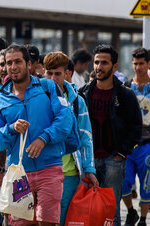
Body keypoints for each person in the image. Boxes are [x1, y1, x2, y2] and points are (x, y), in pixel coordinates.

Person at [0, 44, 73, 226]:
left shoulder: (48, 87)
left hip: (49, 169)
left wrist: (44, 138)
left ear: (28, 64)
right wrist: (11, 129)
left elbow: (65, 119)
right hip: (18, 174)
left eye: (18, 61)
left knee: (46, 221)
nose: (13, 66)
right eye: (9, 63)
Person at [78, 44, 142, 226]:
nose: (99, 67)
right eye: (96, 62)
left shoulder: (125, 95)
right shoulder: (84, 93)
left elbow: (136, 126)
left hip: (114, 159)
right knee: (86, 208)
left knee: (110, 211)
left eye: (104, 63)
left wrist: (121, 152)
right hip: (88, 161)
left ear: (114, 66)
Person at [42, 51, 98, 226]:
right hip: (42, 170)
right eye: (49, 73)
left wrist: (89, 168)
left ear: (67, 73)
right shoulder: (35, 97)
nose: (52, 78)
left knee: (65, 219)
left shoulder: (76, 101)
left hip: (70, 173)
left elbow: (85, 136)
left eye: (57, 73)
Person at [121, 48, 150, 226]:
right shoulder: (125, 87)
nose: (138, 67)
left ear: (148, 64)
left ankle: (143, 218)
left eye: (141, 63)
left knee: (147, 185)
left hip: (149, 144)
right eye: (135, 63)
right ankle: (131, 211)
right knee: (125, 183)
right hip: (129, 145)